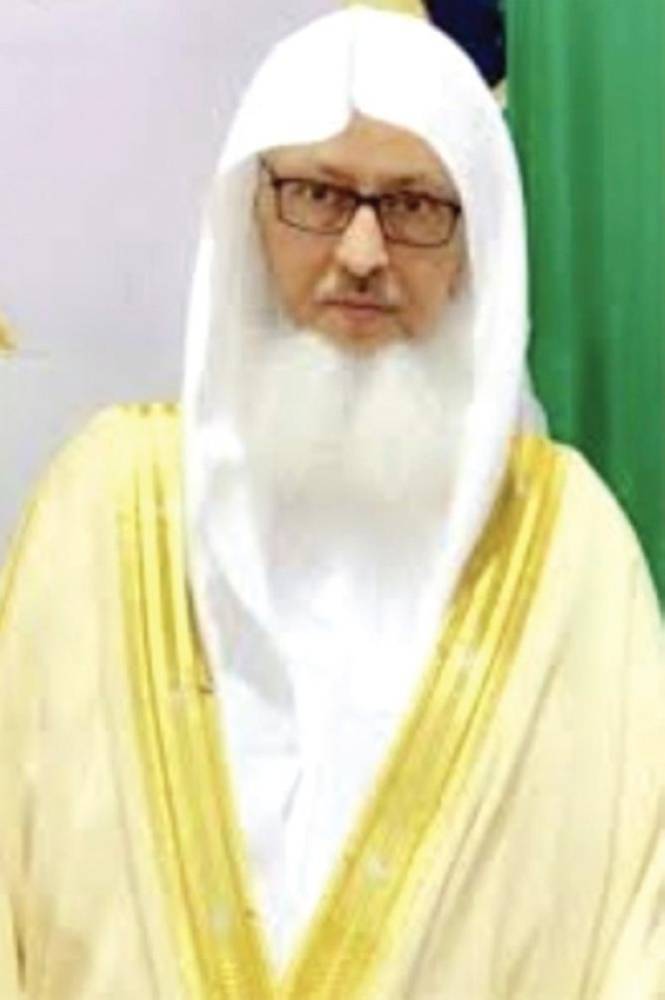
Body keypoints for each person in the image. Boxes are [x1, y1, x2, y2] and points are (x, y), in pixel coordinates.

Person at [0, 8, 663, 998]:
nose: (360, 251)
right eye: (316, 193)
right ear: (251, 211)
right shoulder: (100, 508)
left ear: (475, 239)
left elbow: (639, 931)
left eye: (414, 205)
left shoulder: (571, 548)